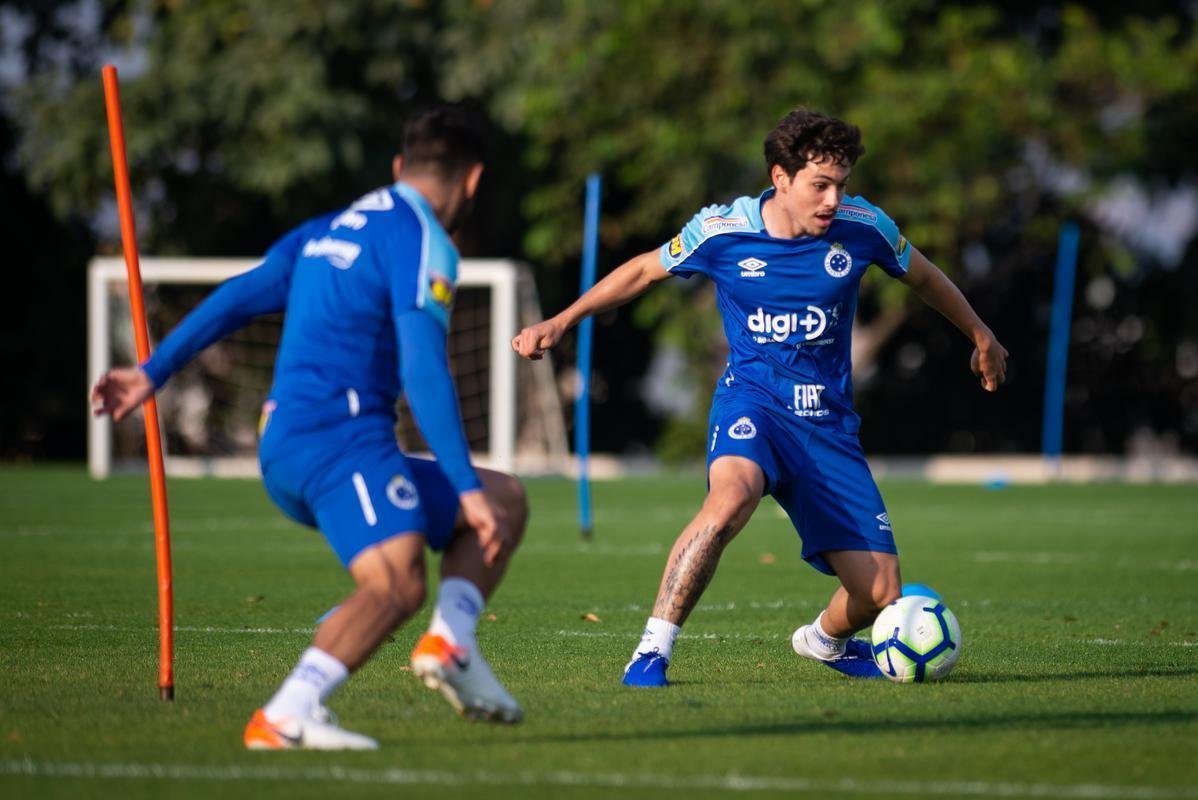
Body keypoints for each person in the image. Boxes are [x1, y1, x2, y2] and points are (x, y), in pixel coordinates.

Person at [512, 109, 1008, 686]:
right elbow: (644, 272)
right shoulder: (722, 231)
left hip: (827, 428)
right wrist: (562, 321)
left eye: (840, 184)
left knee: (879, 593)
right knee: (729, 503)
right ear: (780, 178)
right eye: (819, 185)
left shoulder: (863, 226)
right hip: (754, 404)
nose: (832, 199)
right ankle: (651, 652)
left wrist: (981, 335)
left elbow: (924, 277)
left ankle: (823, 641)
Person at [92, 104, 527, 747]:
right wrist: (459, 482)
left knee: (504, 499)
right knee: (398, 582)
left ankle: (453, 646)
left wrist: (153, 371)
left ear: (400, 167)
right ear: (473, 181)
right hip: (337, 441)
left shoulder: (329, 229)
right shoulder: (423, 240)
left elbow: (244, 293)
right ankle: (287, 713)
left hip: (299, 442)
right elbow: (424, 369)